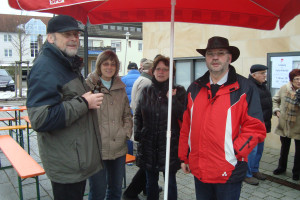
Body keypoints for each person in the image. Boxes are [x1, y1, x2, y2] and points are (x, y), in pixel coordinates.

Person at [26, 15, 104, 200]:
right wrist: (85, 103)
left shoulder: (64, 62)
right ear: (50, 38)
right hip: (66, 164)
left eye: (76, 35)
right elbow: (40, 118)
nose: (74, 39)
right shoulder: (46, 67)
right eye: (67, 34)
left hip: (75, 159)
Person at [178, 36, 266, 200]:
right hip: (200, 168)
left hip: (229, 169)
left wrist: (235, 151)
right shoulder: (194, 88)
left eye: (220, 53)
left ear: (229, 58)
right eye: (210, 54)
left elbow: (255, 127)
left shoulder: (245, 88)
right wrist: (184, 156)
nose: (215, 57)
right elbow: (186, 127)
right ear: (206, 58)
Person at [134, 55, 186, 200]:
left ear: (172, 72)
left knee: (170, 183)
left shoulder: (179, 91)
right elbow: (138, 115)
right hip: (149, 144)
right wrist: (138, 135)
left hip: (169, 145)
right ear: (153, 71)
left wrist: (173, 100)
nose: (161, 72)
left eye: (165, 69)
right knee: (151, 183)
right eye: (158, 69)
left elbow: (184, 116)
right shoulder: (146, 91)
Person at [86, 50, 133, 200]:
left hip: (118, 146)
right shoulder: (89, 85)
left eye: (113, 64)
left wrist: (125, 133)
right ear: (99, 65)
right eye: (106, 63)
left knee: (116, 190)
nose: (109, 67)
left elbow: (127, 114)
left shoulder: (120, 86)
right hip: (97, 147)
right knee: (97, 192)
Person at [123, 60, 154, 200]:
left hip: (141, 126)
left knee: (148, 164)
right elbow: (141, 107)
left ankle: (143, 189)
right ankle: (131, 192)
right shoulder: (147, 83)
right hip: (144, 128)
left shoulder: (141, 79)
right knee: (147, 164)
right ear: (151, 70)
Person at [244, 64, 272, 185]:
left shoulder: (262, 86)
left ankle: (255, 170)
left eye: (265, 73)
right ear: (254, 75)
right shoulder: (249, 86)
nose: (264, 75)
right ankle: (247, 174)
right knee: (252, 151)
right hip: (253, 126)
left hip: (263, 124)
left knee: (259, 150)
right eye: (262, 73)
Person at [272, 69, 300, 181]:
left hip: (298, 125)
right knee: (284, 148)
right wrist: (277, 110)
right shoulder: (284, 88)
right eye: (296, 79)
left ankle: (296, 172)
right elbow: (275, 100)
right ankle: (281, 167)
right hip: (285, 124)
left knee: (299, 151)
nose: (299, 81)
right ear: (291, 80)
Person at [122, 62, 140, 155]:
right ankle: (140, 155)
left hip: (128, 111)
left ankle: (129, 156)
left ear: (128, 70)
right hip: (140, 111)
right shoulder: (142, 78)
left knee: (128, 133)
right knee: (139, 132)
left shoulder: (123, 79)